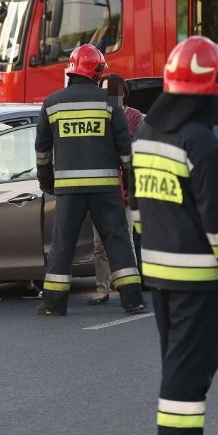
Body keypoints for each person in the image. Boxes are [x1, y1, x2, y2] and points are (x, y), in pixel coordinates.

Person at [130, 36, 218, 435]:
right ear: (211, 84)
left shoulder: (146, 132)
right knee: (192, 360)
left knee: (176, 357)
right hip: (197, 275)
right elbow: (217, 217)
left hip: (160, 270)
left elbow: (140, 209)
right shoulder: (198, 140)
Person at [35, 44, 145, 316]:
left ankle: (54, 304)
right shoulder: (110, 103)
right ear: (97, 72)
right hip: (106, 189)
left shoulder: (52, 103)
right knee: (118, 241)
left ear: (71, 70)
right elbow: (125, 151)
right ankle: (132, 300)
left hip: (69, 191)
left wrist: (46, 182)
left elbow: (42, 153)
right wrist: (130, 186)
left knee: (63, 245)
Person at [89, 73, 144, 305]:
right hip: (102, 186)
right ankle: (102, 289)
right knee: (99, 243)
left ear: (122, 92)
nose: (108, 95)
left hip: (125, 187)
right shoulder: (97, 115)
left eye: (112, 91)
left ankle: (130, 287)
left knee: (126, 239)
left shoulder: (133, 116)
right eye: (103, 90)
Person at [0, 122, 43, 302]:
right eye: (5, 143)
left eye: (11, 143)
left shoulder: (16, 161)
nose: (9, 148)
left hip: (12, 210)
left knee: (25, 237)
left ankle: (28, 283)